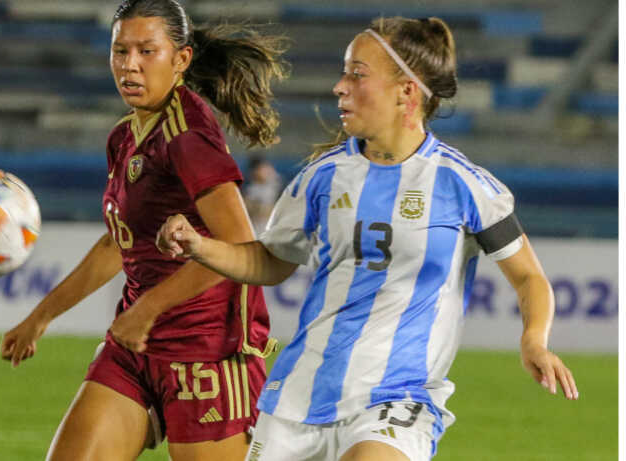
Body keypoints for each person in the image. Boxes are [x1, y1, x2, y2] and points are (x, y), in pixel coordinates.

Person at [157, 16, 579, 461]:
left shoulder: (465, 185)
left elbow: (529, 277)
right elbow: (271, 261)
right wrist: (201, 247)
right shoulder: (322, 177)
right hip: (298, 398)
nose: (339, 87)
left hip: (399, 398)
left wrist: (534, 338)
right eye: (344, 73)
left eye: (357, 74)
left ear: (407, 93)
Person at [0, 1, 289, 460]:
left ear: (181, 60)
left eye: (146, 51)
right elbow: (120, 241)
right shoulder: (125, 136)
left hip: (207, 352)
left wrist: (147, 309)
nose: (129, 65)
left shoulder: (188, 135)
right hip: (134, 346)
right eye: (120, 51)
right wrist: (42, 315)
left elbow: (239, 248)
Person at [243, 156, 282, 235]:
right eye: (261, 169)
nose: (267, 171)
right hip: (256, 230)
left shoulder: (278, 186)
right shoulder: (249, 188)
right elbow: (246, 209)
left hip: (274, 231)